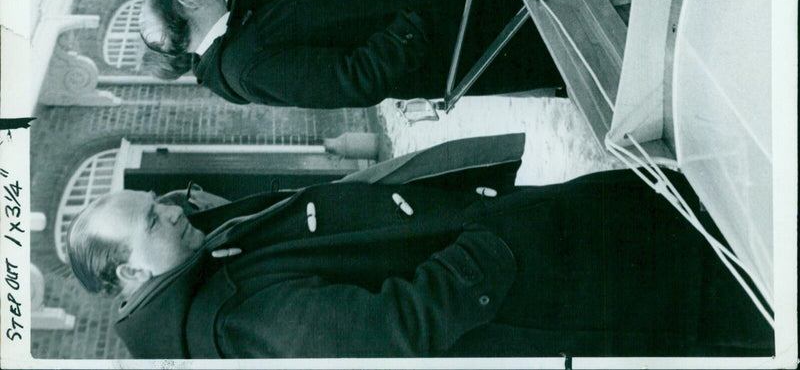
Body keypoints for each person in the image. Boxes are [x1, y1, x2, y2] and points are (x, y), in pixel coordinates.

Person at [65, 134, 773, 360]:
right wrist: (499, 243)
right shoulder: (228, 321)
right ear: (129, 271)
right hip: (536, 277)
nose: (173, 210)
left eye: (159, 200)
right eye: (152, 220)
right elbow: (394, 330)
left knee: (694, 217)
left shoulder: (203, 266)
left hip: (524, 241)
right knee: (727, 269)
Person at [137, 0, 565, 107]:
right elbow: (352, 80)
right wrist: (417, 22)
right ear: (187, 1)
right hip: (455, 35)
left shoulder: (240, 27)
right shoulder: (245, 67)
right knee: (569, 27)